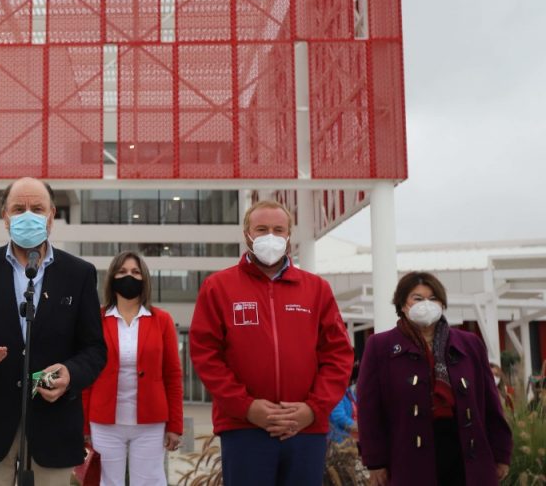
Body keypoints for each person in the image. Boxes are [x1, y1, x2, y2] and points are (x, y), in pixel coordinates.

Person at [0, 177, 107, 486]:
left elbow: (95, 349)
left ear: (51, 215)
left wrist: (70, 374)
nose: (28, 215)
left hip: (53, 428)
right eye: (18, 209)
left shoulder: (79, 274)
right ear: (5, 216)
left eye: (37, 208)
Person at [189, 200, 354, 486]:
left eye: (278, 230)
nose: (271, 236)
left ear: (289, 236)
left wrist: (312, 409)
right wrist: (247, 407)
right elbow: (206, 355)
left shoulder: (316, 289)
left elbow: (338, 355)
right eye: (262, 229)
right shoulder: (218, 287)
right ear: (247, 234)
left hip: (305, 430)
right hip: (244, 428)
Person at [357, 271, 512, 485]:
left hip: (465, 452)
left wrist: (502, 453)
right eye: (418, 298)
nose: (426, 304)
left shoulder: (470, 344)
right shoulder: (380, 346)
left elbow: (491, 404)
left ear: (442, 304)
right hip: (408, 457)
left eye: (433, 298)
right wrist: (375, 461)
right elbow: (369, 410)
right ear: (402, 305)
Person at [82, 251, 183, 486]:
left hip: (151, 423)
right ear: (112, 278)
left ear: (144, 278)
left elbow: (173, 375)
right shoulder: (96, 319)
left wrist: (175, 425)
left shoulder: (162, 320)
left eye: (136, 272)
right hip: (104, 422)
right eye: (123, 271)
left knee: (150, 482)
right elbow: (87, 376)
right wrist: (83, 425)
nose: (129, 276)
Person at [328, 361, 359, 444]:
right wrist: (363, 428)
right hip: (341, 443)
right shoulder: (337, 393)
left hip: (357, 441)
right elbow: (339, 417)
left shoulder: (352, 393)